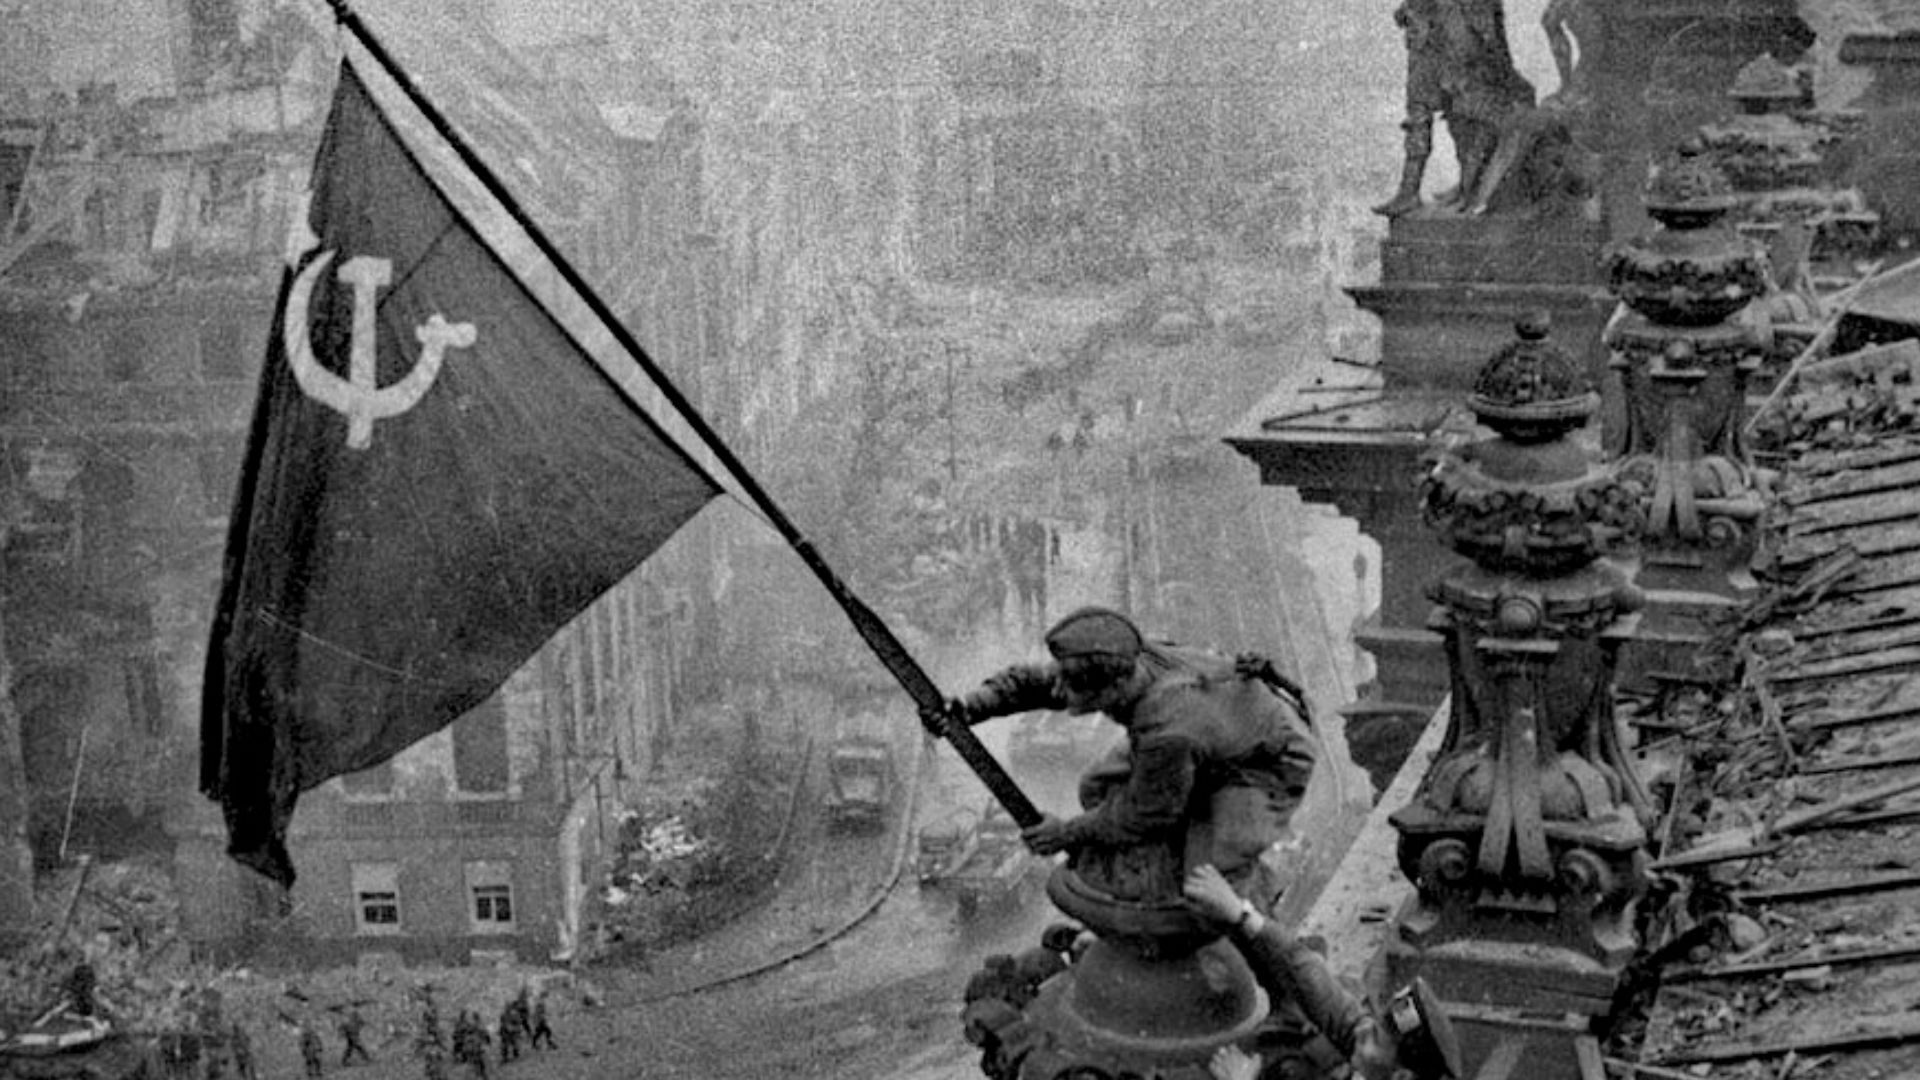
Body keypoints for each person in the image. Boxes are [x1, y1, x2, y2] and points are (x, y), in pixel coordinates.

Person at [928, 606, 1318, 905]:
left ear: (1111, 688)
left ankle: (1258, 909)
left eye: (1078, 692)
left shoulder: (1168, 729)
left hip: (1267, 760)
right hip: (1218, 730)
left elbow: (1146, 812)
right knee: (1097, 786)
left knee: (1206, 888)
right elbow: (1038, 682)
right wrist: (969, 708)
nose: (1062, 694)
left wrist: (1066, 832)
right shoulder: (1126, 661)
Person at [1183, 864, 1461, 1080]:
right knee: (1285, 966)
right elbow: (1320, 990)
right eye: (1374, 1024)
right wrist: (1241, 913)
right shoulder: (1378, 1063)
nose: (1364, 1028)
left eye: (1375, 1037)